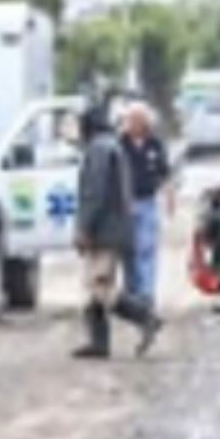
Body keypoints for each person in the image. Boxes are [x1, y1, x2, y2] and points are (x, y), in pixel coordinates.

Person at [72, 100, 162, 359]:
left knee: (99, 285)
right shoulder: (111, 146)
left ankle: (145, 317)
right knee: (93, 288)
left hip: (104, 229)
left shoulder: (99, 150)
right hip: (116, 225)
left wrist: (84, 228)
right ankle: (98, 342)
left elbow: (94, 194)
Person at [117, 100, 174, 316]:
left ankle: (146, 295)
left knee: (147, 249)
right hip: (125, 204)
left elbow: (165, 173)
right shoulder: (119, 144)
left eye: (139, 119)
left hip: (147, 202)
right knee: (129, 251)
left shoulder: (154, 144)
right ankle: (132, 293)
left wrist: (169, 198)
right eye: (131, 119)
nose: (135, 123)